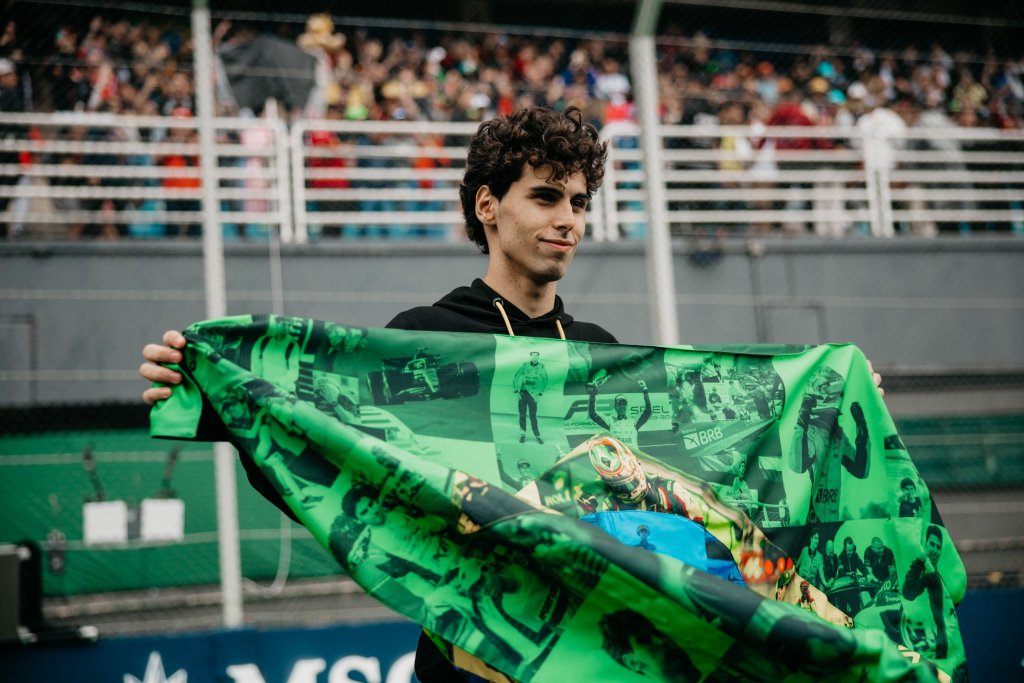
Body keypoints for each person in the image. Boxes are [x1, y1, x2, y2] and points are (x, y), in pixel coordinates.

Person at [140, 106, 616, 682]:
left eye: (578, 203)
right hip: (466, 663)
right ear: (487, 206)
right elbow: (338, 461)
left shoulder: (601, 351)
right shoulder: (424, 338)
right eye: (545, 197)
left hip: (598, 657)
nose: (567, 220)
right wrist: (223, 402)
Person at [585, 378, 652, 450]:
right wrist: (592, 395)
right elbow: (592, 414)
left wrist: (645, 390)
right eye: (619, 404)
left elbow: (648, 411)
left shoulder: (634, 422)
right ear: (615, 407)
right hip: (618, 455)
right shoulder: (610, 422)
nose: (622, 406)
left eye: (624, 404)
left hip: (632, 455)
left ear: (627, 406)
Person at [513, 350, 548, 443]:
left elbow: (545, 379)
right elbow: (516, 377)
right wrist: (516, 391)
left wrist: (540, 393)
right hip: (523, 393)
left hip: (533, 395)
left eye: (536, 355)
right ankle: (522, 434)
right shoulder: (525, 365)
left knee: (533, 416)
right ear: (531, 356)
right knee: (522, 414)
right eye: (533, 355)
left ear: (538, 357)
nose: (535, 357)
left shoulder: (541, 366)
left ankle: (537, 435)